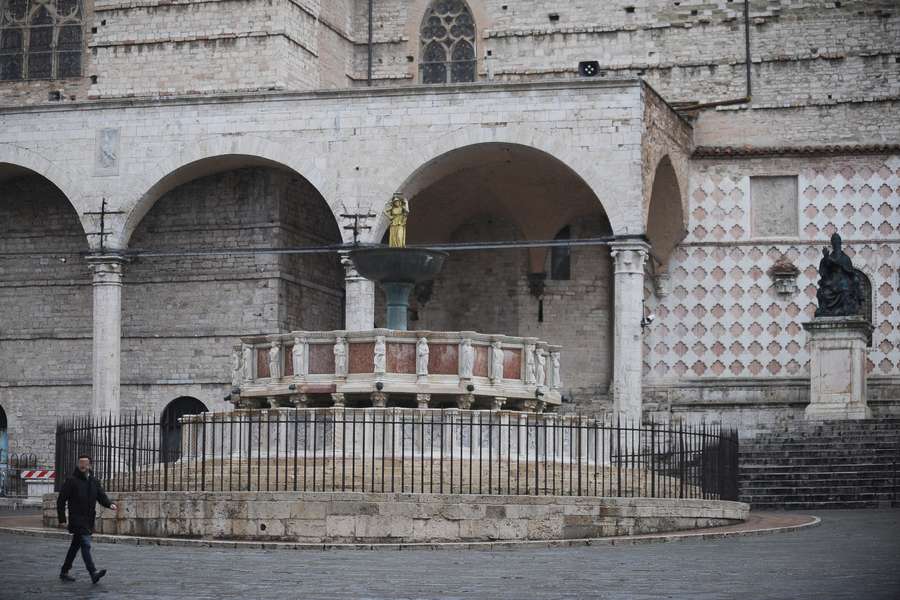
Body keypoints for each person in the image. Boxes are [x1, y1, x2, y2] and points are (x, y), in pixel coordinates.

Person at [56, 454, 117, 584]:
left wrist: (110, 504)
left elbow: (101, 496)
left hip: (89, 519)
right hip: (77, 519)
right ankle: (93, 572)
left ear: (90, 465)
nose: (83, 465)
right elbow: (61, 501)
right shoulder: (71, 481)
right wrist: (62, 519)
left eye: (85, 463)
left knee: (75, 546)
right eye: (80, 463)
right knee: (85, 544)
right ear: (78, 465)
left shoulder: (94, 481)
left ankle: (64, 571)